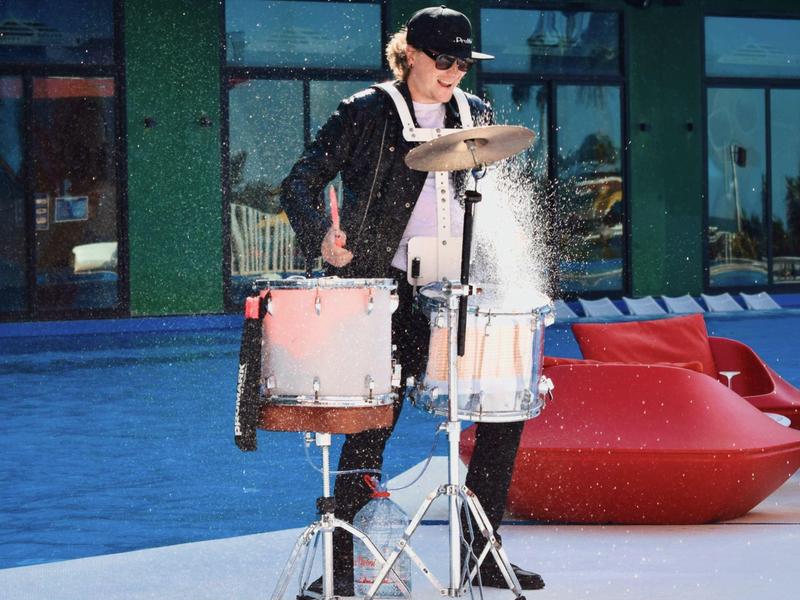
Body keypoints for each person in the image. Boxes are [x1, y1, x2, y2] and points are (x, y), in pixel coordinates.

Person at [280, 6, 545, 595]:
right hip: (388, 291)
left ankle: (481, 551)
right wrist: (322, 237)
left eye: (463, 63)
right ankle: (345, 567)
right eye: (444, 60)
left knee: (503, 410)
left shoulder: (474, 114)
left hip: (457, 289)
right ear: (411, 56)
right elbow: (298, 182)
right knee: (373, 424)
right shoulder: (366, 112)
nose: (455, 72)